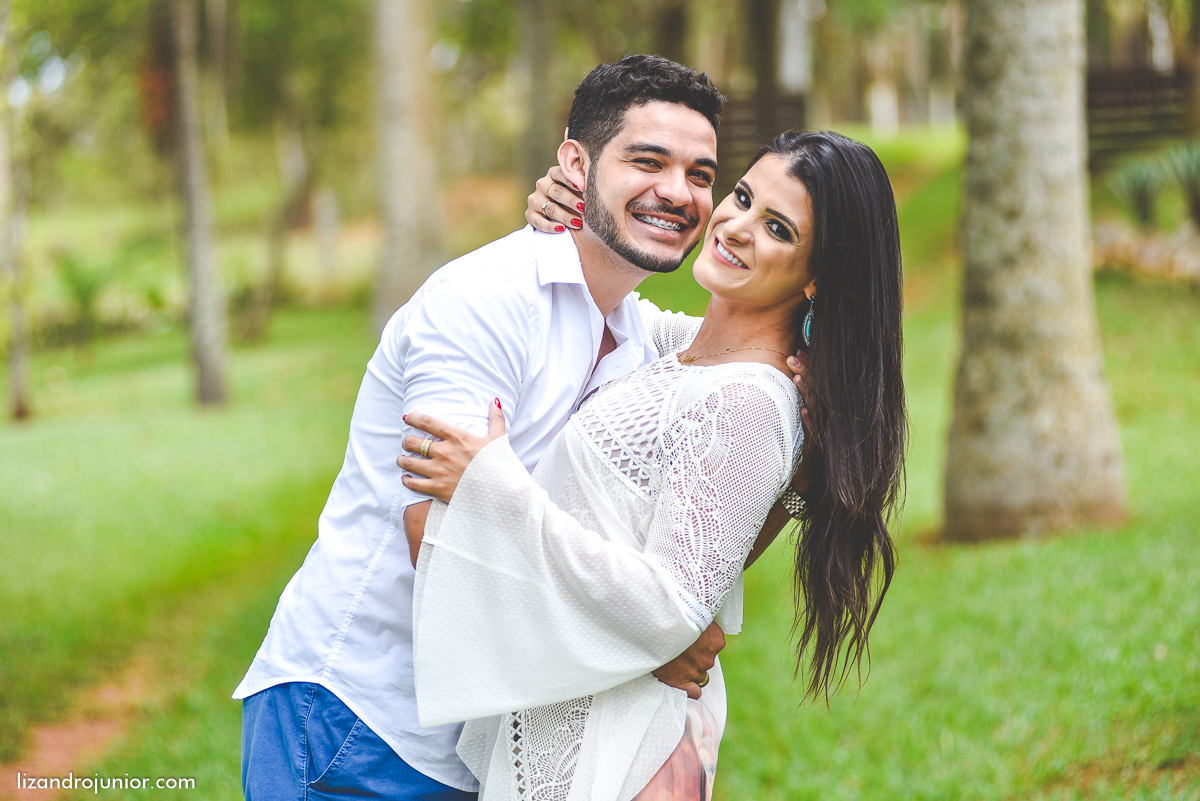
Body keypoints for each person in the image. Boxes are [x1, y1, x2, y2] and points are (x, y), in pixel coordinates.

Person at [234, 55, 810, 801]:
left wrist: (663, 622)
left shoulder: (641, 336)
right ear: (574, 162)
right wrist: (641, 640)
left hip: (496, 737)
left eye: (701, 174)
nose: (679, 193)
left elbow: (738, 431)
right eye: (647, 161)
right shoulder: (483, 302)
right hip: (361, 719)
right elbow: (434, 538)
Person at [400, 129, 907, 800]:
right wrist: (574, 211)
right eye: (745, 196)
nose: (737, 225)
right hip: (578, 720)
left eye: (778, 228)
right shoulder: (688, 355)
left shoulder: (745, 397)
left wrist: (491, 486)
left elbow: (674, 604)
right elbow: (607, 297)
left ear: (817, 276)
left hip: (623, 750)